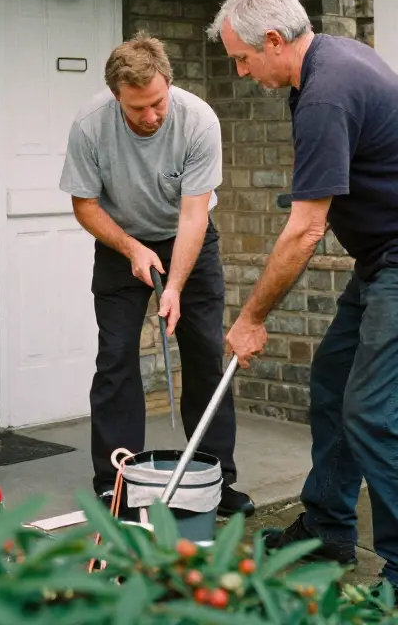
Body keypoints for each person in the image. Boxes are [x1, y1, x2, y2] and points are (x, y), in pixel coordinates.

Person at [208, 0, 398, 608]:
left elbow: (305, 231)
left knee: (374, 410)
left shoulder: (326, 93)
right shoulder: (324, 65)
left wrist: (251, 318)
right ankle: (328, 529)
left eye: (243, 59)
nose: (243, 73)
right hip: (392, 258)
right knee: (334, 380)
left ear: (274, 40)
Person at [59, 31, 253, 517]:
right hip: (121, 240)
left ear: (169, 83)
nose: (150, 117)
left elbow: (193, 216)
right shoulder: (90, 126)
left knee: (206, 354)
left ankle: (215, 478)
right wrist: (130, 247)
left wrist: (176, 286)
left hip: (190, 239)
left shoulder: (197, 120)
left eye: (157, 103)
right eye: (136, 109)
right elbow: (84, 204)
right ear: (116, 97)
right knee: (116, 358)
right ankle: (116, 483)